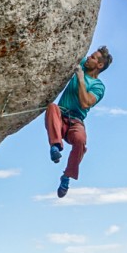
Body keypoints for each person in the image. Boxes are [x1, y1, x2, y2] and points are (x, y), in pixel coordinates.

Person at [44, 46, 112, 197]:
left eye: (93, 58)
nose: (88, 58)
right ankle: (55, 147)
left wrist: (81, 78)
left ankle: (66, 177)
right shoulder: (82, 63)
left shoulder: (98, 87)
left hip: (76, 121)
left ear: (99, 65)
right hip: (61, 116)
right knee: (52, 107)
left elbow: (85, 103)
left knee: (81, 140)